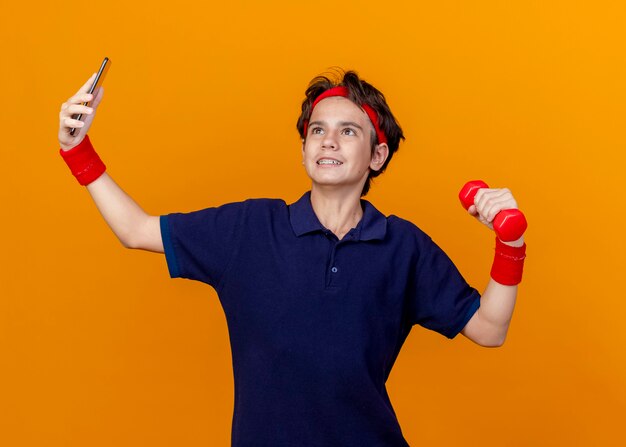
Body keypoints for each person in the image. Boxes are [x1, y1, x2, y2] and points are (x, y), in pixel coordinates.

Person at [58, 69, 527, 446]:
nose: (328, 140)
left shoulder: (403, 246)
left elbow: (489, 328)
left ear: (377, 155)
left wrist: (510, 246)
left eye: (348, 131)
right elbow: (136, 229)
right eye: (317, 130)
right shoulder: (249, 230)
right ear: (303, 148)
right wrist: (77, 150)